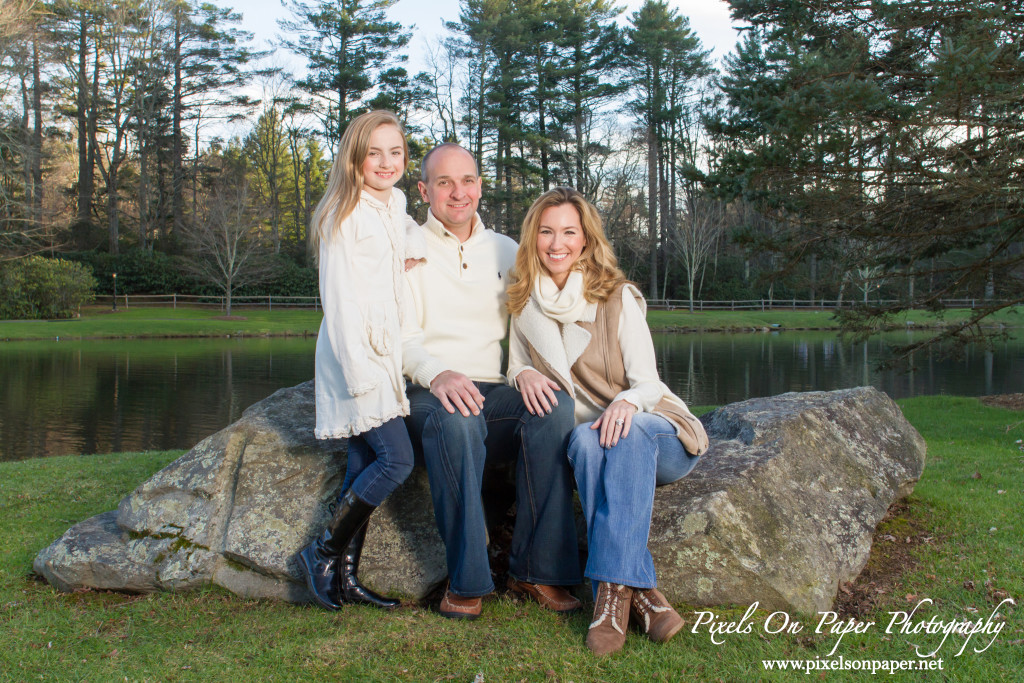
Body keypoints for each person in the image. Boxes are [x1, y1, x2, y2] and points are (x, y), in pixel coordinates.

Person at [506, 187, 710, 655]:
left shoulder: (617, 297)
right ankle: (643, 597)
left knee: (625, 435)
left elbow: (650, 382)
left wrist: (627, 404)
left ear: (585, 240)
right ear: (533, 237)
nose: (557, 243)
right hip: (594, 440)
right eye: (547, 231)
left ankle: (608, 594)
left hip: (656, 431)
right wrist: (523, 373)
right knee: (585, 442)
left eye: (569, 232)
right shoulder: (523, 303)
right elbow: (515, 364)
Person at [400, 143, 582, 620]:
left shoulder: (508, 250)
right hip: (424, 393)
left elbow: (540, 317)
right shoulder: (405, 249)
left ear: (480, 186)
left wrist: (522, 371)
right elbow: (394, 336)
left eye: (467, 181)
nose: (457, 192)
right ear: (424, 190)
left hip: (491, 392)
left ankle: (536, 571)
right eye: (444, 182)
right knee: (456, 419)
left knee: (555, 408)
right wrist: (436, 373)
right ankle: (467, 580)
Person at [298, 110, 424, 611]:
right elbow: (341, 302)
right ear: (355, 157)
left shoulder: (393, 203)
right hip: (359, 354)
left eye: (395, 152)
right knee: (396, 459)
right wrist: (359, 373)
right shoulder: (342, 214)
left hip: (386, 351)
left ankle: (346, 576)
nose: (386, 162)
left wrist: (413, 249)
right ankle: (322, 550)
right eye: (375, 152)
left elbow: (408, 228)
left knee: (364, 461)